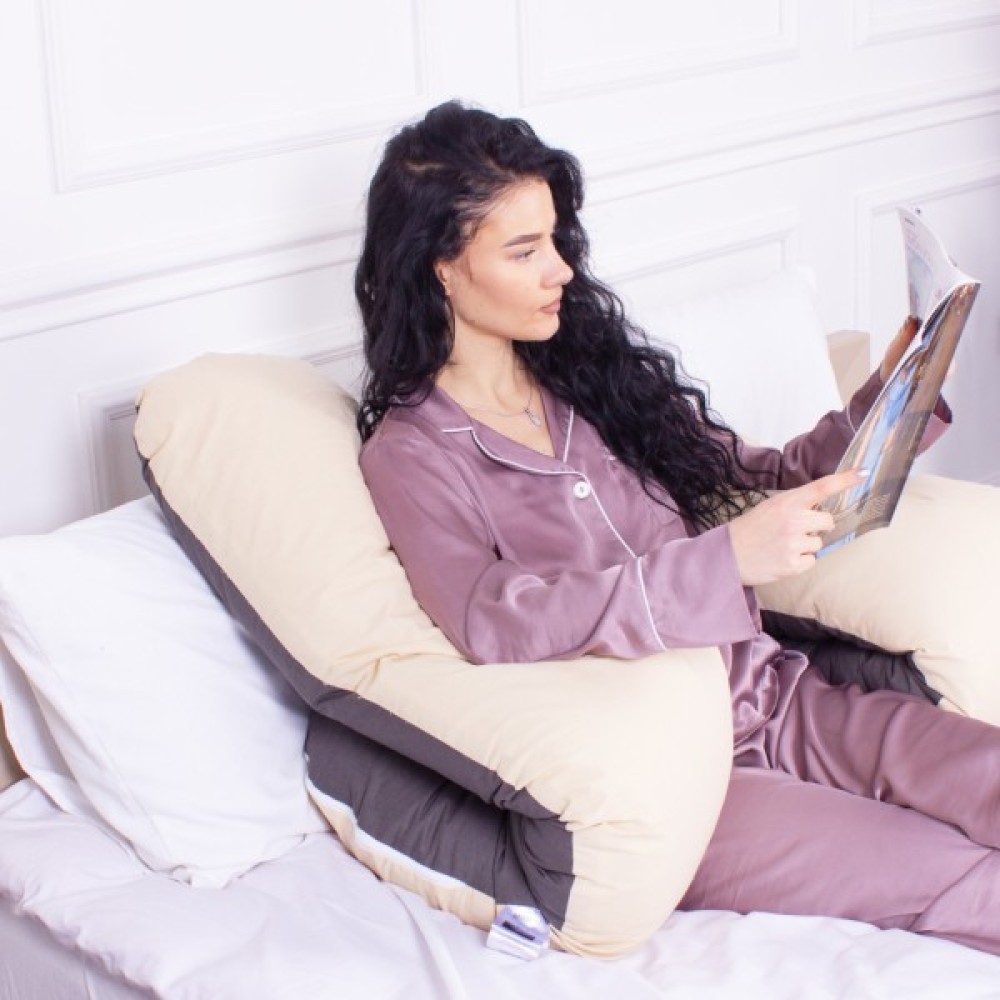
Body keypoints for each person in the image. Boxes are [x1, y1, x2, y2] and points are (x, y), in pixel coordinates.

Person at [355, 100, 1000, 956]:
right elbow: (495, 620)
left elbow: (761, 476)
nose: (560, 271)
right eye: (524, 251)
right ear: (440, 265)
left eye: (555, 241)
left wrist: (896, 389)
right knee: (955, 873)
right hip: (684, 784)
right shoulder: (414, 453)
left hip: (778, 698)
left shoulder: (590, 380)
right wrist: (724, 560)